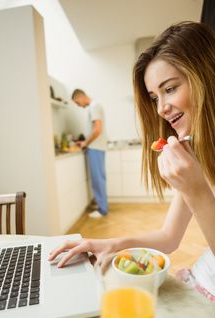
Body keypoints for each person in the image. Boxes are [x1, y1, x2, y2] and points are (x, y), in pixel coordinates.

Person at [49, 22, 215, 300]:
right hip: (201, 278)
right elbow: (168, 237)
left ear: (206, 76)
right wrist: (110, 244)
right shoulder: (197, 152)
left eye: (170, 89)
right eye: (154, 97)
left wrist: (196, 190)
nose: (161, 108)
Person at [72, 89, 108, 218]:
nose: (79, 106)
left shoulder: (94, 106)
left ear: (81, 96)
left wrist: (85, 143)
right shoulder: (95, 106)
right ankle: (101, 205)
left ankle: (102, 209)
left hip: (95, 148)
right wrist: (84, 142)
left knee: (98, 180)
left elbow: (97, 129)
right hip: (97, 148)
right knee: (99, 179)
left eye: (77, 103)